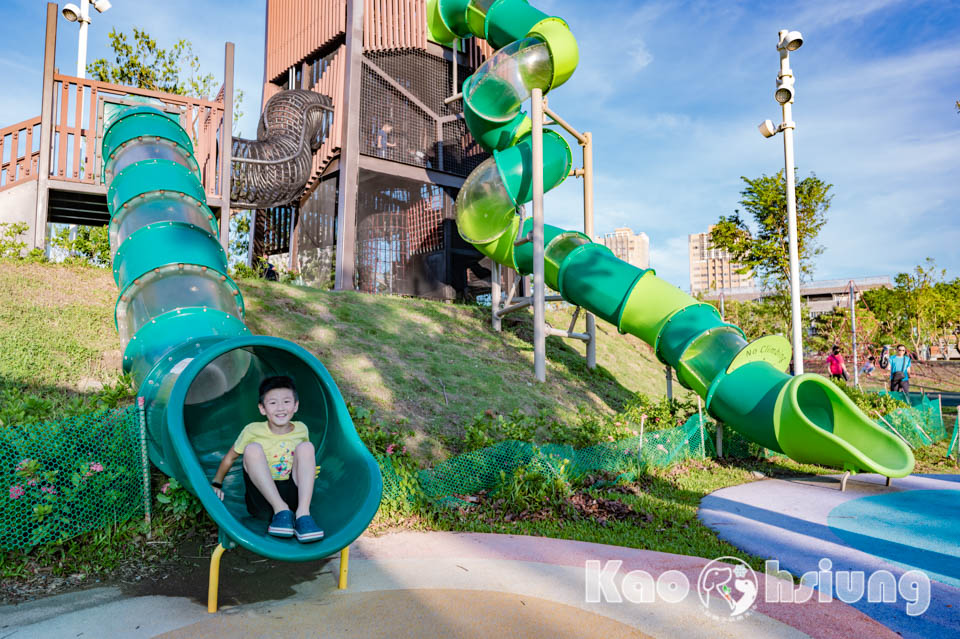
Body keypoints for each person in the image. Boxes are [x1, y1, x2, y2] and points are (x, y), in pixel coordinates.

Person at [211, 376, 324, 542]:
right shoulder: (252, 430)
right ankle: (280, 510)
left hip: (293, 496)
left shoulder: (301, 429)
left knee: (306, 448)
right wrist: (216, 484)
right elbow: (229, 458)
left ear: (296, 406)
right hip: (262, 501)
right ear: (262, 409)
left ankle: (303, 515)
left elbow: (304, 462)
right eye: (272, 403)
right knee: (252, 449)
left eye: (286, 401)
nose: (280, 408)